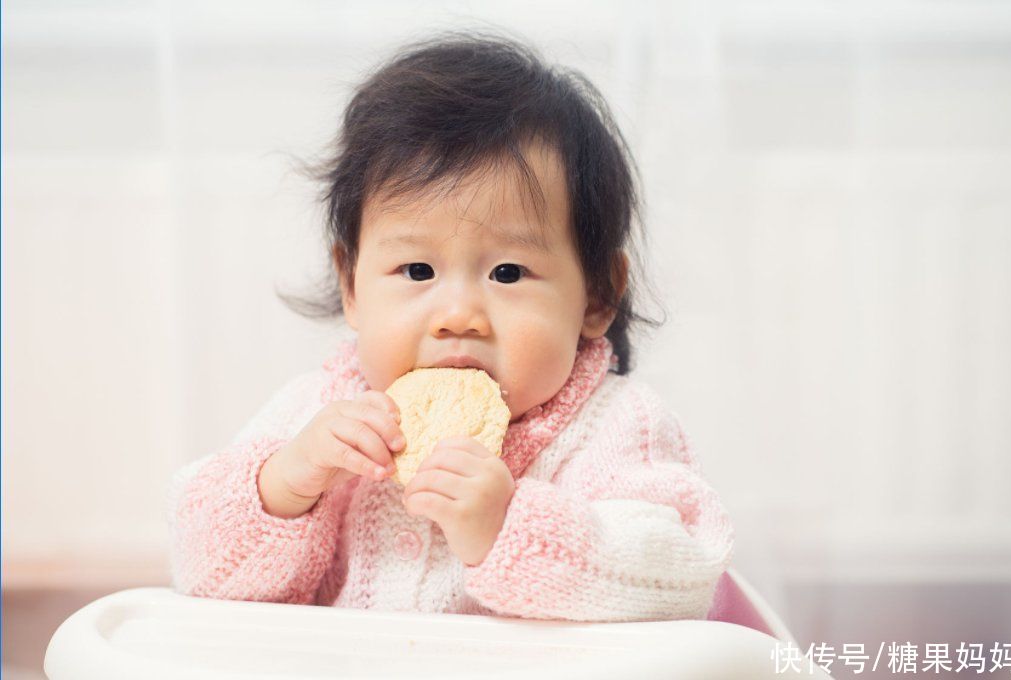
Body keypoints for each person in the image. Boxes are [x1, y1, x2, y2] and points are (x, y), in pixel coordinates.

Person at [168, 33, 734, 622]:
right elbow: (200, 571)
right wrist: (283, 485)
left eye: (508, 272)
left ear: (597, 294)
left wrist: (509, 527)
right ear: (352, 285)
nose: (458, 315)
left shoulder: (616, 426)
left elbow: (681, 575)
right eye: (417, 270)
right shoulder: (315, 412)